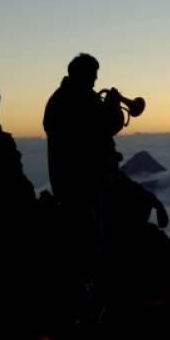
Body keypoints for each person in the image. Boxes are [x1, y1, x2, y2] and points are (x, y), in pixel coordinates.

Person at [43, 53, 125, 279]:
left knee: (84, 238)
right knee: (88, 242)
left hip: (68, 180)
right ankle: (86, 291)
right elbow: (107, 125)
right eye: (93, 76)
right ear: (85, 75)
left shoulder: (60, 98)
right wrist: (113, 107)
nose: (96, 81)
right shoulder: (79, 98)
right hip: (83, 182)